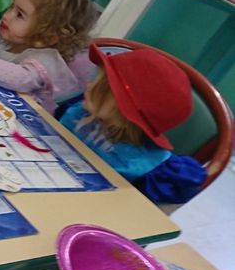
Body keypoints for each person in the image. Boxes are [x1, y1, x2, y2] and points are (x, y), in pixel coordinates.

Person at [59, 45, 207, 204]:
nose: (88, 85)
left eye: (100, 88)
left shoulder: (147, 167)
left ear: (125, 112)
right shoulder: (82, 111)